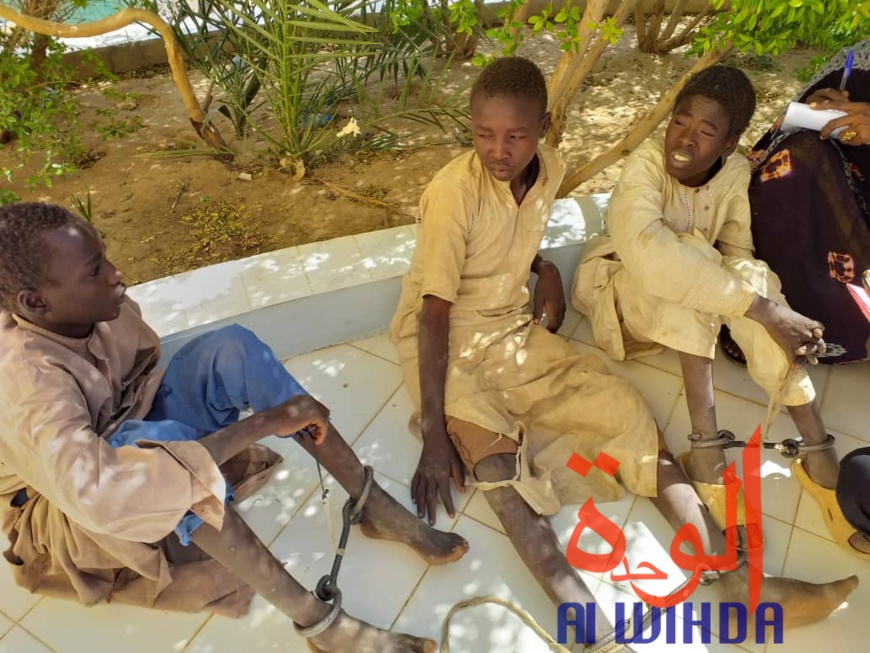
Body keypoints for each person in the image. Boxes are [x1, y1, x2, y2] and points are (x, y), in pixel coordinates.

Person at [390, 56, 856, 650]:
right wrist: (434, 432)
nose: (498, 150)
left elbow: (507, 235)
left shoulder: (548, 167)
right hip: (441, 338)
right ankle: (596, 637)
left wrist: (546, 271)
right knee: (500, 474)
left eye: (515, 135)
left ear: (544, 128)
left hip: (509, 330)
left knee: (630, 419)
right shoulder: (452, 192)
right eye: (483, 134)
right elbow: (433, 312)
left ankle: (736, 579)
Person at [0, 202, 470, 653]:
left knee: (232, 348)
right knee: (157, 446)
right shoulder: (26, 383)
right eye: (95, 271)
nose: (116, 273)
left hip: (124, 424)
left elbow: (138, 379)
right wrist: (264, 423)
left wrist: (251, 417)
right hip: (66, 507)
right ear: (35, 302)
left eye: (104, 256)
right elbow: (101, 490)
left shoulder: (84, 304)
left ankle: (373, 506)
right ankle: (320, 623)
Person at [572, 64, 870, 562]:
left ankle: (817, 448)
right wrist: (764, 310)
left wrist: (765, 303)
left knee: (748, 275)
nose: (682, 140)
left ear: (729, 145)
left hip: (686, 298)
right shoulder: (642, 169)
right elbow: (653, 261)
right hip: (621, 297)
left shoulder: (732, 174)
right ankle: (705, 450)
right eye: (679, 123)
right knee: (700, 264)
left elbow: (737, 248)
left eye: (705, 131)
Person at [719, 39, 870, 366]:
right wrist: (818, 109)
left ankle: (838, 331)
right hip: (844, 191)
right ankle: (770, 313)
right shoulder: (862, 56)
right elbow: (781, 132)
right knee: (792, 160)